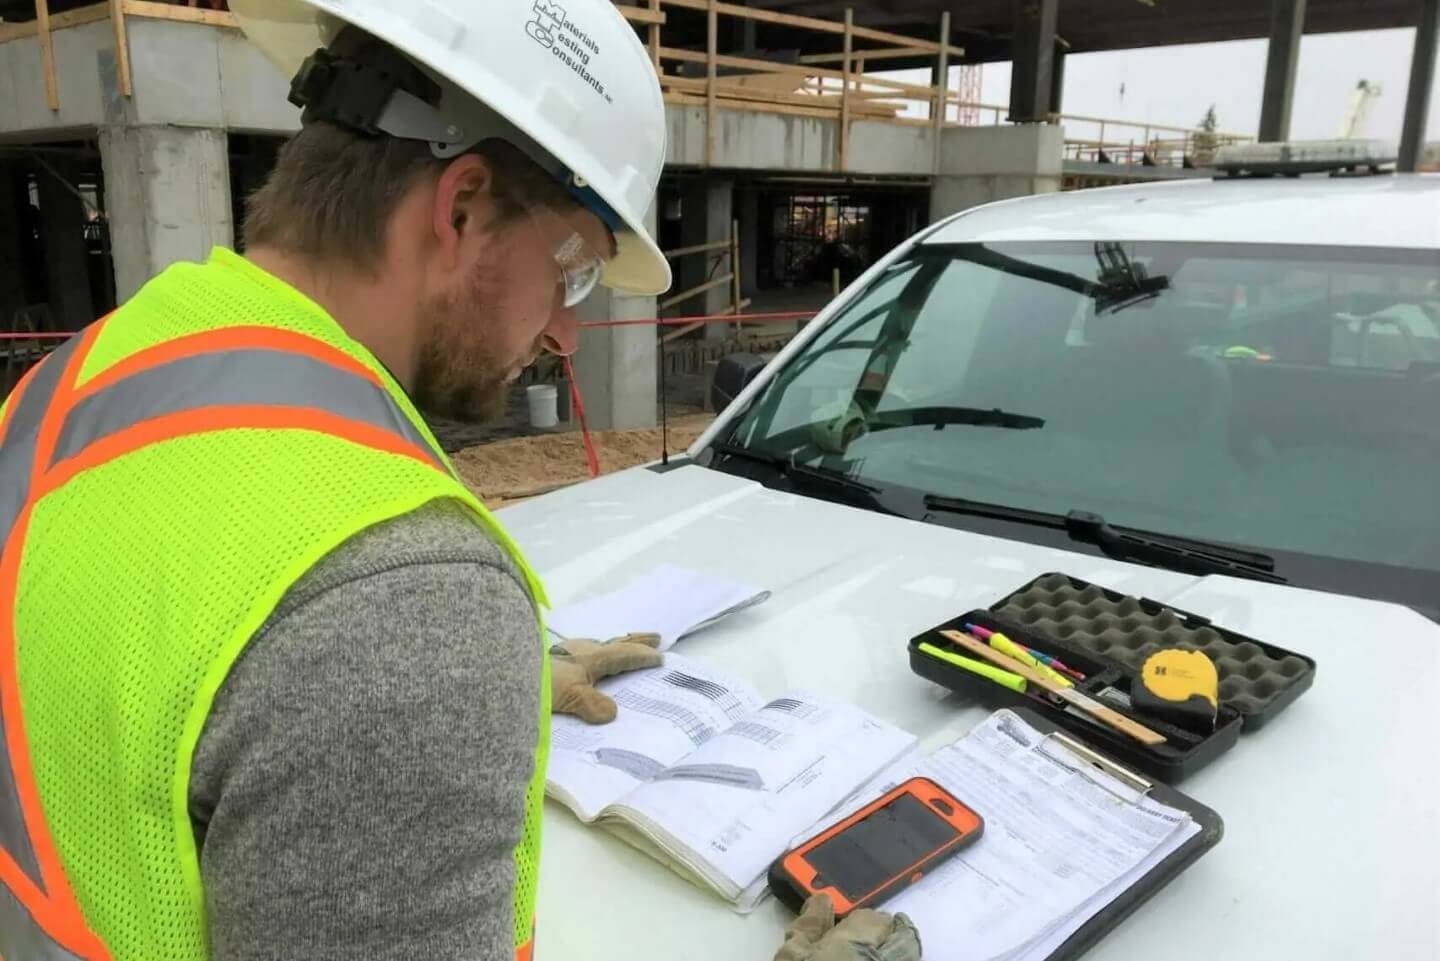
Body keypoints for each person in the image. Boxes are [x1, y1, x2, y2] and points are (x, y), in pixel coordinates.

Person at [0, 2, 920, 960]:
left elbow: (159, 650)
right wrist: (424, 672)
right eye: (575, 275)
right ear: (464, 207)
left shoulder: (83, 379)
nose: (568, 333)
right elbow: (340, 631)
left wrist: (496, 674)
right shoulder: (399, 598)